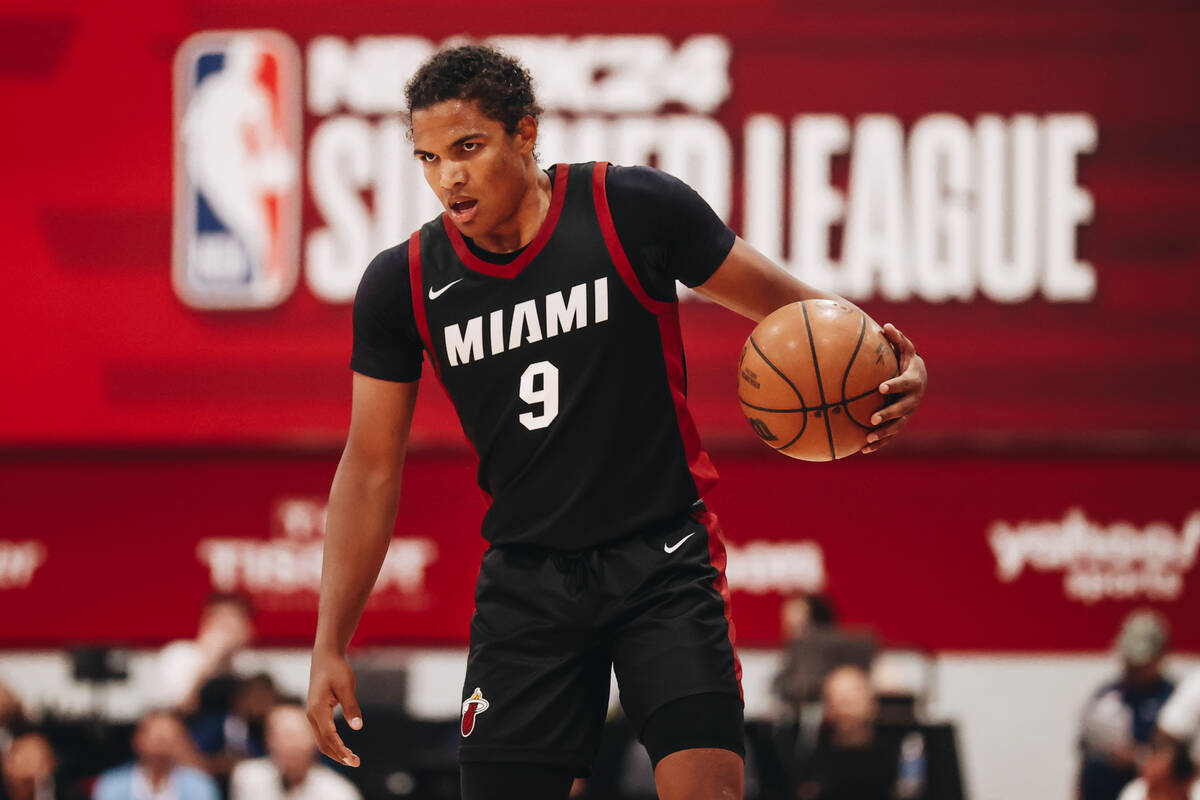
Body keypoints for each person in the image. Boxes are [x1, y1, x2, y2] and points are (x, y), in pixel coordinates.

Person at [305, 44, 928, 800]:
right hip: (528, 579)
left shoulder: (628, 208)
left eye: (468, 147)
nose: (449, 176)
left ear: (525, 135)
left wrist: (886, 357)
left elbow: (799, 309)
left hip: (661, 558)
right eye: (429, 157)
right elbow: (370, 468)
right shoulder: (400, 282)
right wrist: (329, 640)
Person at [1079, 611, 1176, 800]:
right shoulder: (1105, 697)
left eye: (1140, 663)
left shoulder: (1176, 701)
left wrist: (1138, 756)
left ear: (1160, 656)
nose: (1133, 669)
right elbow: (1084, 757)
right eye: (1129, 661)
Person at [230, 704, 360, 800]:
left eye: (298, 736)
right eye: (283, 736)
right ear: (268, 741)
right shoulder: (247, 778)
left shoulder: (339, 793)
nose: (291, 745)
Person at [157, 593, 255, 715]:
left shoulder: (250, 665)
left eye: (238, 621)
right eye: (223, 622)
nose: (230, 631)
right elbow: (181, 709)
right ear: (205, 622)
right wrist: (213, 657)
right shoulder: (180, 654)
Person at [92, 712, 218, 800]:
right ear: (137, 740)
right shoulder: (112, 784)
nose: (163, 746)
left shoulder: (199, 785)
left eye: (170, 739)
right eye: (158, 739)